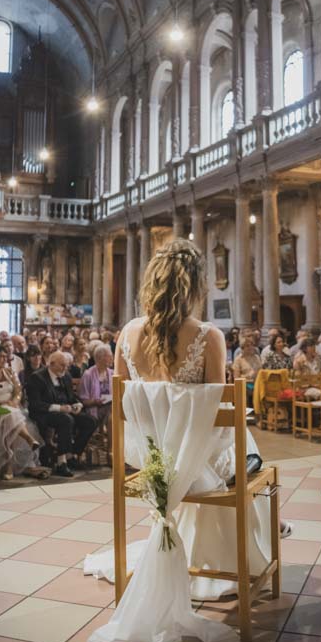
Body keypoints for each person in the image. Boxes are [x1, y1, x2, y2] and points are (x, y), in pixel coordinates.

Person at [84, 238, 274, 600]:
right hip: (196, 464)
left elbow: (123, 407)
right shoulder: (208, 336)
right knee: (247, 448)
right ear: (196, 285)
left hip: (152, 462)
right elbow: (216, 418)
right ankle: (233, 555)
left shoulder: (127, 335)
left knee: (232, 448)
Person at [0, 343, 47, 480]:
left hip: (12, 408)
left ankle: (9, 465)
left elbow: (18, 391)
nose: (5, 359)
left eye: (6, 356)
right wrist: (0, 404)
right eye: (2, 357)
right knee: (9, 415)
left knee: (10, 418)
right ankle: (28, 438)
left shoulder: (10, 372)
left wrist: (15, 402)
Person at [26, 350, 96, 477]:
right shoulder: (37, 377)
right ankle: (61, 462)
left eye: (66, 365)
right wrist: (59, 408)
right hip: (44, 413)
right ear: (51, 364)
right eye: (62, 365)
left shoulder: (66, 375)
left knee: (90, 421)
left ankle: (71, 454)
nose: (65, 368)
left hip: (66, 410)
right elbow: (35, 404)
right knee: (66, 420)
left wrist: (78, 404)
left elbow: (71, 397)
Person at [78, 344, 114, 432]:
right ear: (99, 358)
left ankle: (113, 436)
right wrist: (95, 401)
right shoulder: (88, 374)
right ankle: (108, 433)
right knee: (113, 411)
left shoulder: (112, 373)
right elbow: (83, 401)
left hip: (109, 407)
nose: (112, 359)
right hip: (94, 409)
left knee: (115, 408)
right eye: (109, 356)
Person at [231, 333, 262, 407]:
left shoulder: (256, 357)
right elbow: (236, 377)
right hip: (245, 383)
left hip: (257, 383)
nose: (250, 347)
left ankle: (261, 411)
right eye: (247, 346)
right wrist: (248, 378)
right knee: (246, 389)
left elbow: (261, 371)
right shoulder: (238, 359)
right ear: (242, 348)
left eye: (252, 345)